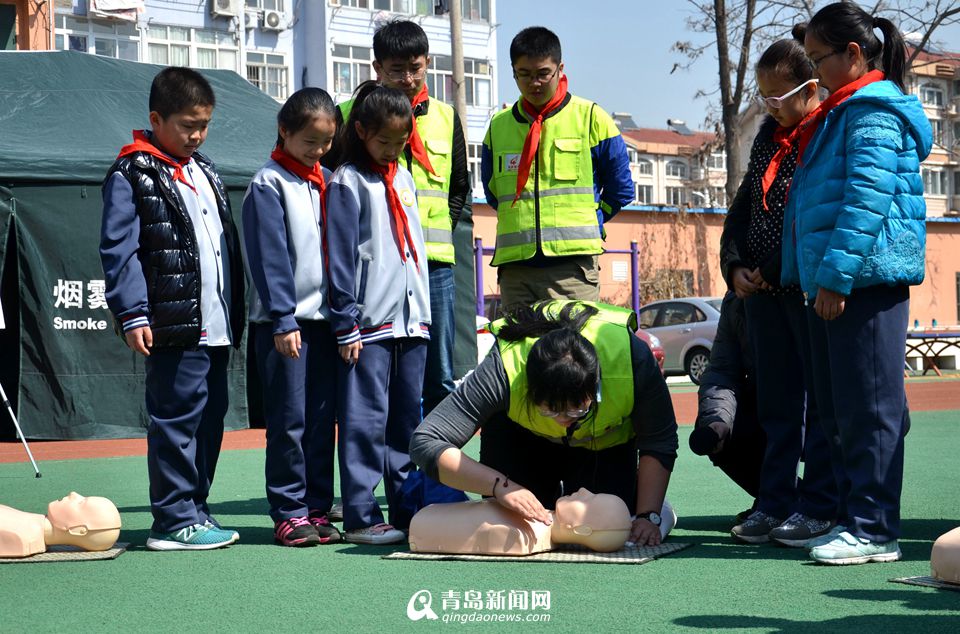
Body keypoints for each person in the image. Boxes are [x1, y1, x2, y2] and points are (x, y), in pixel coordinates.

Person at [784, 2, 932, 564]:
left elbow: (865, 202)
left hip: (862, 286)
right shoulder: (841, 111)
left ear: (852, 54)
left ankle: (874, 528)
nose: (813, 71)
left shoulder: (871, 112)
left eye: (819, 58)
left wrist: (837, 277)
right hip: (835, 284)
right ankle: (853, 518)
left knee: (869, 409)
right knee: (840, 409)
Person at [100, 67, 245, 551]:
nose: (197, 134)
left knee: (209, 418)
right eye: (187, 124)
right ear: (156, 118)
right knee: (176, 420)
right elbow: (118, 249)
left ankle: (193, 510)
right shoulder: (131, 172)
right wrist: (133, 313)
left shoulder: (207, 170)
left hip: (216, 322)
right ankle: (172, 519)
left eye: (204, 124)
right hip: (172, 323)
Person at [410, 300, 678, 547]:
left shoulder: (632, 359)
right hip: (526, 443)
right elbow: (426, 442)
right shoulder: (505, 369)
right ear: (529, 389)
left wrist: (648, 515)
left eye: (579, 410)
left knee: (610, 521)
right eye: (550, 411)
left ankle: (647, 504)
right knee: (518, 525)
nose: (564, 423)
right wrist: (499, 486)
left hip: (602, 447)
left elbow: (660, 440)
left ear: (595, 386)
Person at [720, 39, 838, 547]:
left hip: (802, 292)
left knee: (818, 406)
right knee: (777, 405)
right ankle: (773, 502)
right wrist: (736, 265)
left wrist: (774, 267)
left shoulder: (827, 134)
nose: (769, 105)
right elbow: (745, 206)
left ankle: (818, 506)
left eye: (778, 95)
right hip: (762, 295)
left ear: (811, 88)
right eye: (763, 96)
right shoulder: (769, 136)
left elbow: (808, 216)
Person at [339, 20, 470, 415]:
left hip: (433, 267)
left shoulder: (447, 118)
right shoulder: (348, 114)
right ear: (377, 68)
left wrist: (432, 233)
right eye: (397, 70)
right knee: (373, 370)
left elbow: (459, 188)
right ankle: (386, 467)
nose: (408, 78)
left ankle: (435, 472)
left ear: (428, 63)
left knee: (438, 374)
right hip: (373, 267)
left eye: (416, 67)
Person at [326, 81, 431, 545]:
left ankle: (408, 510)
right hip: (368, 325)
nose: (391, 151)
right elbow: (342, 256)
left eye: (400, 143)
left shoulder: (405, 178)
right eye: (383, 141)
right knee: (365, 421)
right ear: (362, 131)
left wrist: (423, 314)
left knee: (407, 422)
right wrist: (346, 321)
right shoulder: (347, 181)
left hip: (413, 322)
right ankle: (361, 515)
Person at [242, 87, 342, 547]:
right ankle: (288, 509)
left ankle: (317, 506)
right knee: (289, 420)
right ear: (284, 132)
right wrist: (283, 318)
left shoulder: (326, 179)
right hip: (287, 325)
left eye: (326, 143)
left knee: (322, 421)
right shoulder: (269, 183)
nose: (319, 151)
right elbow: (270, 257)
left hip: (325, 322)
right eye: (310, 143)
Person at [480, 26, 634, 309]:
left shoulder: (591, 118)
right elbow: (493, 194)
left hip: (572, 272)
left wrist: (592, 220)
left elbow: (621, 189)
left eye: (543, 73)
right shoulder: (498, 127)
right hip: (516, 272)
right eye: (523, 74)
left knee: (572, 353)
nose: (534, 83)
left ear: (560, 69)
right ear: (512, 71)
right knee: (518, 353)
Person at [688, 292, 766, 518]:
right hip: (769, 401)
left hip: (814, 406)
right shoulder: (736, 300)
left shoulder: (802, 288)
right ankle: (781, 499)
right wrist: (718, 420)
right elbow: (722, 370)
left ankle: (831, 502)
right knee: (719, 429)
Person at [407, 488, 638, 556]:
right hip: (426, 519)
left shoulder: (522, 537)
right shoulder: (530, 517)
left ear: (582, 529)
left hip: (424, 525)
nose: (584, 491)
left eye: (589, 502)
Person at [0, 493, 122, 558]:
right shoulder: (25, 525)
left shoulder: (20, 535)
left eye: (81, 503)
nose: (73, 494)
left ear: (79, 530)